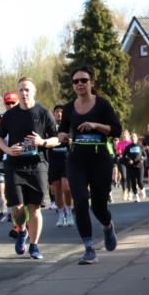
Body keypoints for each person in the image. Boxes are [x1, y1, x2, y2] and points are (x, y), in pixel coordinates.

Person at [56, 66, 122, 265]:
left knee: (99, 206)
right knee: (81, 201)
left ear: (92, 82)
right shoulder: (68, 108)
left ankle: (108, 226)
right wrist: (62, 136)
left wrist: (95, 125)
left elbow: (117, 129)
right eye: (75, 82)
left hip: (100, 159)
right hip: (76, 160)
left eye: (83, 80)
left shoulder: (102, 104)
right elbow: (61, 131)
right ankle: (89, 248)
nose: (79, 84)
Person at [0, 77, 60, 260]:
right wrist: (7, 149)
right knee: (17, 208)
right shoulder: (10, 115)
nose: (23, 93)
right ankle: (22, 230)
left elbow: (56, 139)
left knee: (35, 207)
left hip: (37, 164)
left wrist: (42, 142)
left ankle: (34, 245)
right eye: (21, 90)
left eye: (27, 90)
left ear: (34, 91)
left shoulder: (43, 112)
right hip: (14, 165)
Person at [0, 91, 18, 223]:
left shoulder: (23, 117)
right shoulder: (0, 119)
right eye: (8, 103)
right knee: (1, 188)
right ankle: (3, 211)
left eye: (13, 103)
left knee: (12, 188)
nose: (10, 106)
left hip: (16, 159)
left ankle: (10, 212)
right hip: (2, 159)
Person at [48, 105, 73, 227]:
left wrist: (71, 141)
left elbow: (75, 138)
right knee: (57, 190)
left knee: (66, 187)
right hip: (53, 161)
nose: (59, 114)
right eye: (57, 111)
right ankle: (61, 214)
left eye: (61, 112)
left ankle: (69, 212)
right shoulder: (49, 126)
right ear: (53, 114)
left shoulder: (69, 125)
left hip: (66, 160)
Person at [122, 132, 145, 202]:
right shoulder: (128, 147)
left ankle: (142, 190)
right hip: (131, 166)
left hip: (139, 165)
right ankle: (137, 196)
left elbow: (145, 156)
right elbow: (124, 156)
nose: (133, 138)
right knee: (133, 182)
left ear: (137, 138)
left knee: (140, 181)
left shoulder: (140, 146)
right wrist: (129, 160)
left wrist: (142, 159)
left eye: (134, 137)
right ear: (130, 139)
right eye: (132, 137)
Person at [115, 130, 133, 201]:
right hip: (122, 161)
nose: (124, 135)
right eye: (123, 134)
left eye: (125, 134)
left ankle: (130, 192)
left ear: (128, 135)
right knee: (124, 176)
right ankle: (124, 192)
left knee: (129, 177)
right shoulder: (119, 143)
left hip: (130, 161)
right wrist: (118, 153)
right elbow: (116, 152)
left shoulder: (131, 143)